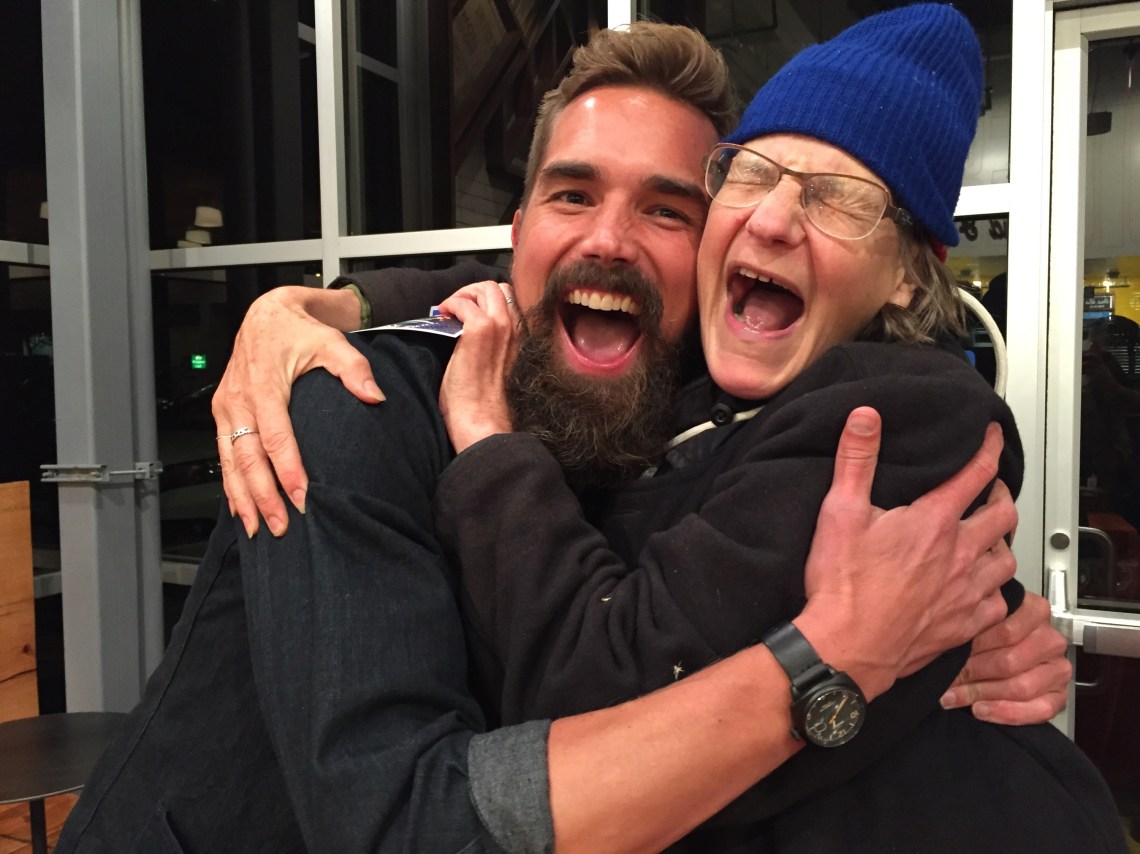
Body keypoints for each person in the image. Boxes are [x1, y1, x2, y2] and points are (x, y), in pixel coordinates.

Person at [60, 21, 1053, 854]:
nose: (610, 240)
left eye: (668, 209)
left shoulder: (694, 392)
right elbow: (405, 822)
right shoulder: (350, 409)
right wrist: (837, 657)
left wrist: (984, 623)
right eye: (573, 196)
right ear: (517, 231)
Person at [428, 6, 1124, 850]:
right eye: (752, 175)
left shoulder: (899, 419)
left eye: (839, 200)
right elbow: (557, 267)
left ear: (907, 276)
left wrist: (489, 445)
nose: (770, 220)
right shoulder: (702, 377)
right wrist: (342, 304)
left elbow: (602, 706)